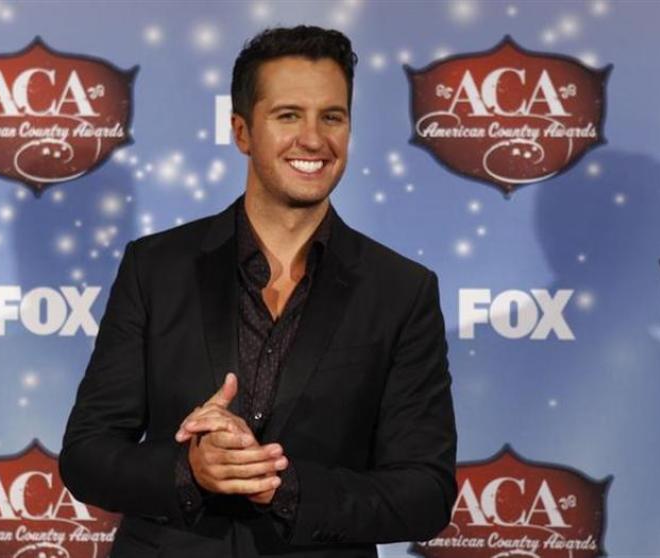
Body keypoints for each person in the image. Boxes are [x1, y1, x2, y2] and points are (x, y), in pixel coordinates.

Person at [59, 25, 456, 558]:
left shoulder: (402, 291)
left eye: (332, 117)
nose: (313, 139)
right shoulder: (155, 267)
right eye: (288, 115)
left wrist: (283, 488)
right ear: (242, 131)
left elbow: (425, 494)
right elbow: (87, 455)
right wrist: (190, 470)